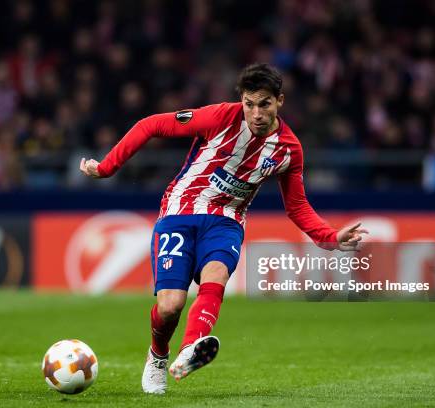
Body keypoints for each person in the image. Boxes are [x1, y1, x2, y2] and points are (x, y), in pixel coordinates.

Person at [79, 63, 368, 394]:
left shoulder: (289, 150)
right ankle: (158, 354)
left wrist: (329, 236)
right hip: (180, 211)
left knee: (215, 275)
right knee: (170, 306)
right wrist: (107, 167)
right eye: (249, 103)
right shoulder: (219, 117)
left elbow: (297, 206)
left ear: (280, 102)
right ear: (241, 100)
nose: (256, 113)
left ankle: (191, 347)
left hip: (226, 220)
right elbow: (152, 125)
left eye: (265, 104)